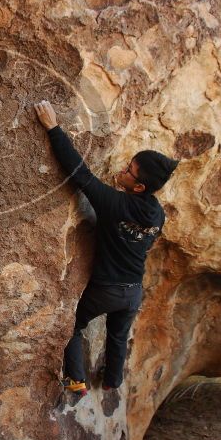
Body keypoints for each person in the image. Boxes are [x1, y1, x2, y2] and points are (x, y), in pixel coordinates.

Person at [34, 100, 179, 399]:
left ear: (139, 186)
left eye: (129, 170)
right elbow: (145, 240)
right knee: (118, 335)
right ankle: (112, 380)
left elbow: (80, 173)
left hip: (106, 289)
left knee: (73, 326)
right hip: (132, 290)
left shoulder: (115, 204)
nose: (123, 170)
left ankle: (76, 379)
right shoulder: (156, 213)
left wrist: (53, 128)